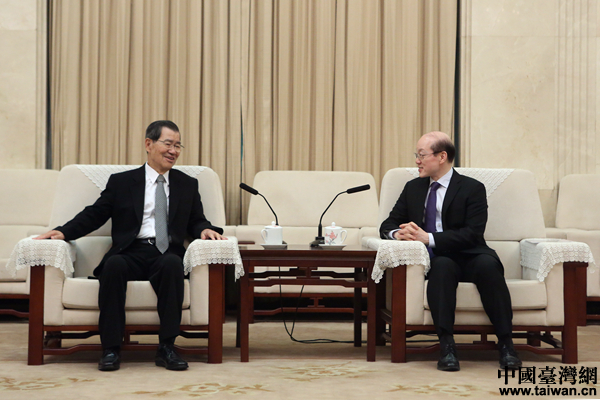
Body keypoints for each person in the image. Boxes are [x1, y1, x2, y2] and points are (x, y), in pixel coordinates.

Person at [36, 120, 226, 371]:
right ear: (148, 144)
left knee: (172, 264)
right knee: (113, 266)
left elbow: (195, 219)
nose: (174, 151)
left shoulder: (187, 184)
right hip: (130, 250)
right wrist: (64, 231)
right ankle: (111, 349)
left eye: (178, 145)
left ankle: (167, 348)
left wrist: (205, 229)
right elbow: (96, 213)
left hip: (166, 252)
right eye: (168, 144)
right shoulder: (122, 182)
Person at [379, 131, 521, 372]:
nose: (417, 161)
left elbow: (473, 233)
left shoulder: (472, 188)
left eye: (422, 155)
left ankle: (506, 344)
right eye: (416, 155)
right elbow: (388, 224)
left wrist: (429, 238)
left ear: (442, 156)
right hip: (440, 258)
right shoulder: (413, 188)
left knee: (488, 266)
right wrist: (397, 234)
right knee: (442, 267)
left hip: (471, 253)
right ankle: (447, 346)